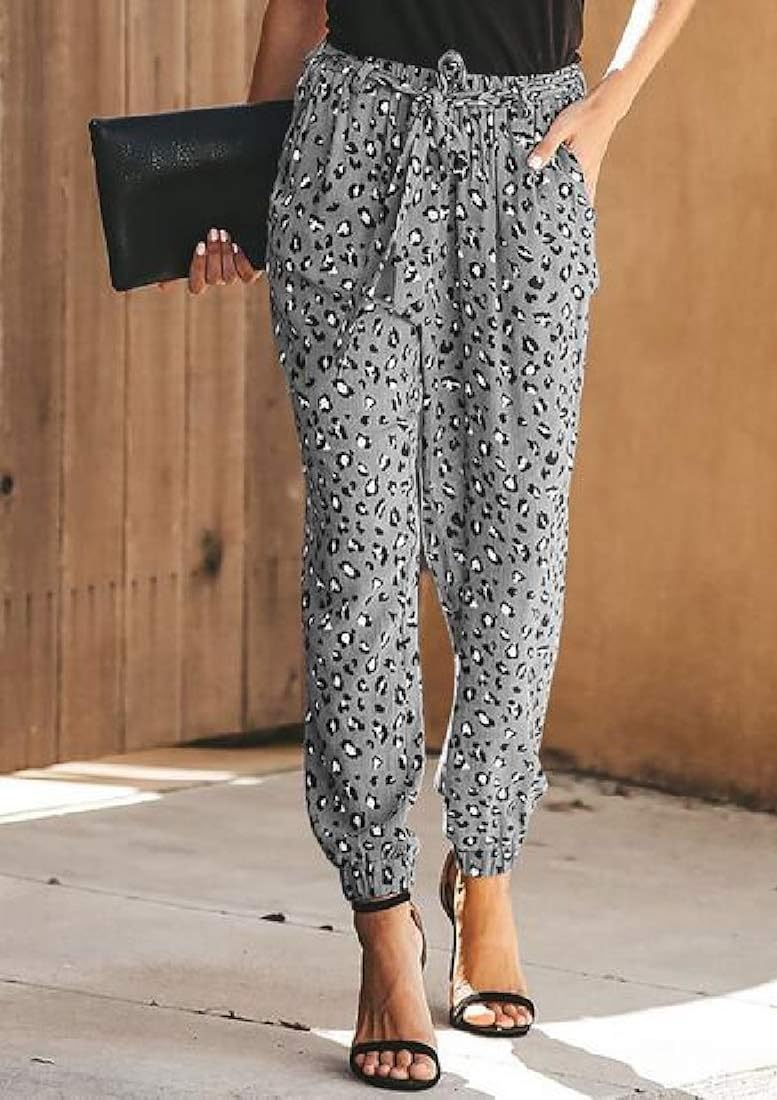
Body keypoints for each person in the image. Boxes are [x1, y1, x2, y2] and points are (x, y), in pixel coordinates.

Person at [161, 0, 698, 1090]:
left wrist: (610, 105)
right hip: (349, 158)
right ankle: (380, 921)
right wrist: (237, 188)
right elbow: (296, 8)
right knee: (357, 558)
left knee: (517, 561)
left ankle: (484, 870)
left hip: (527, 166)